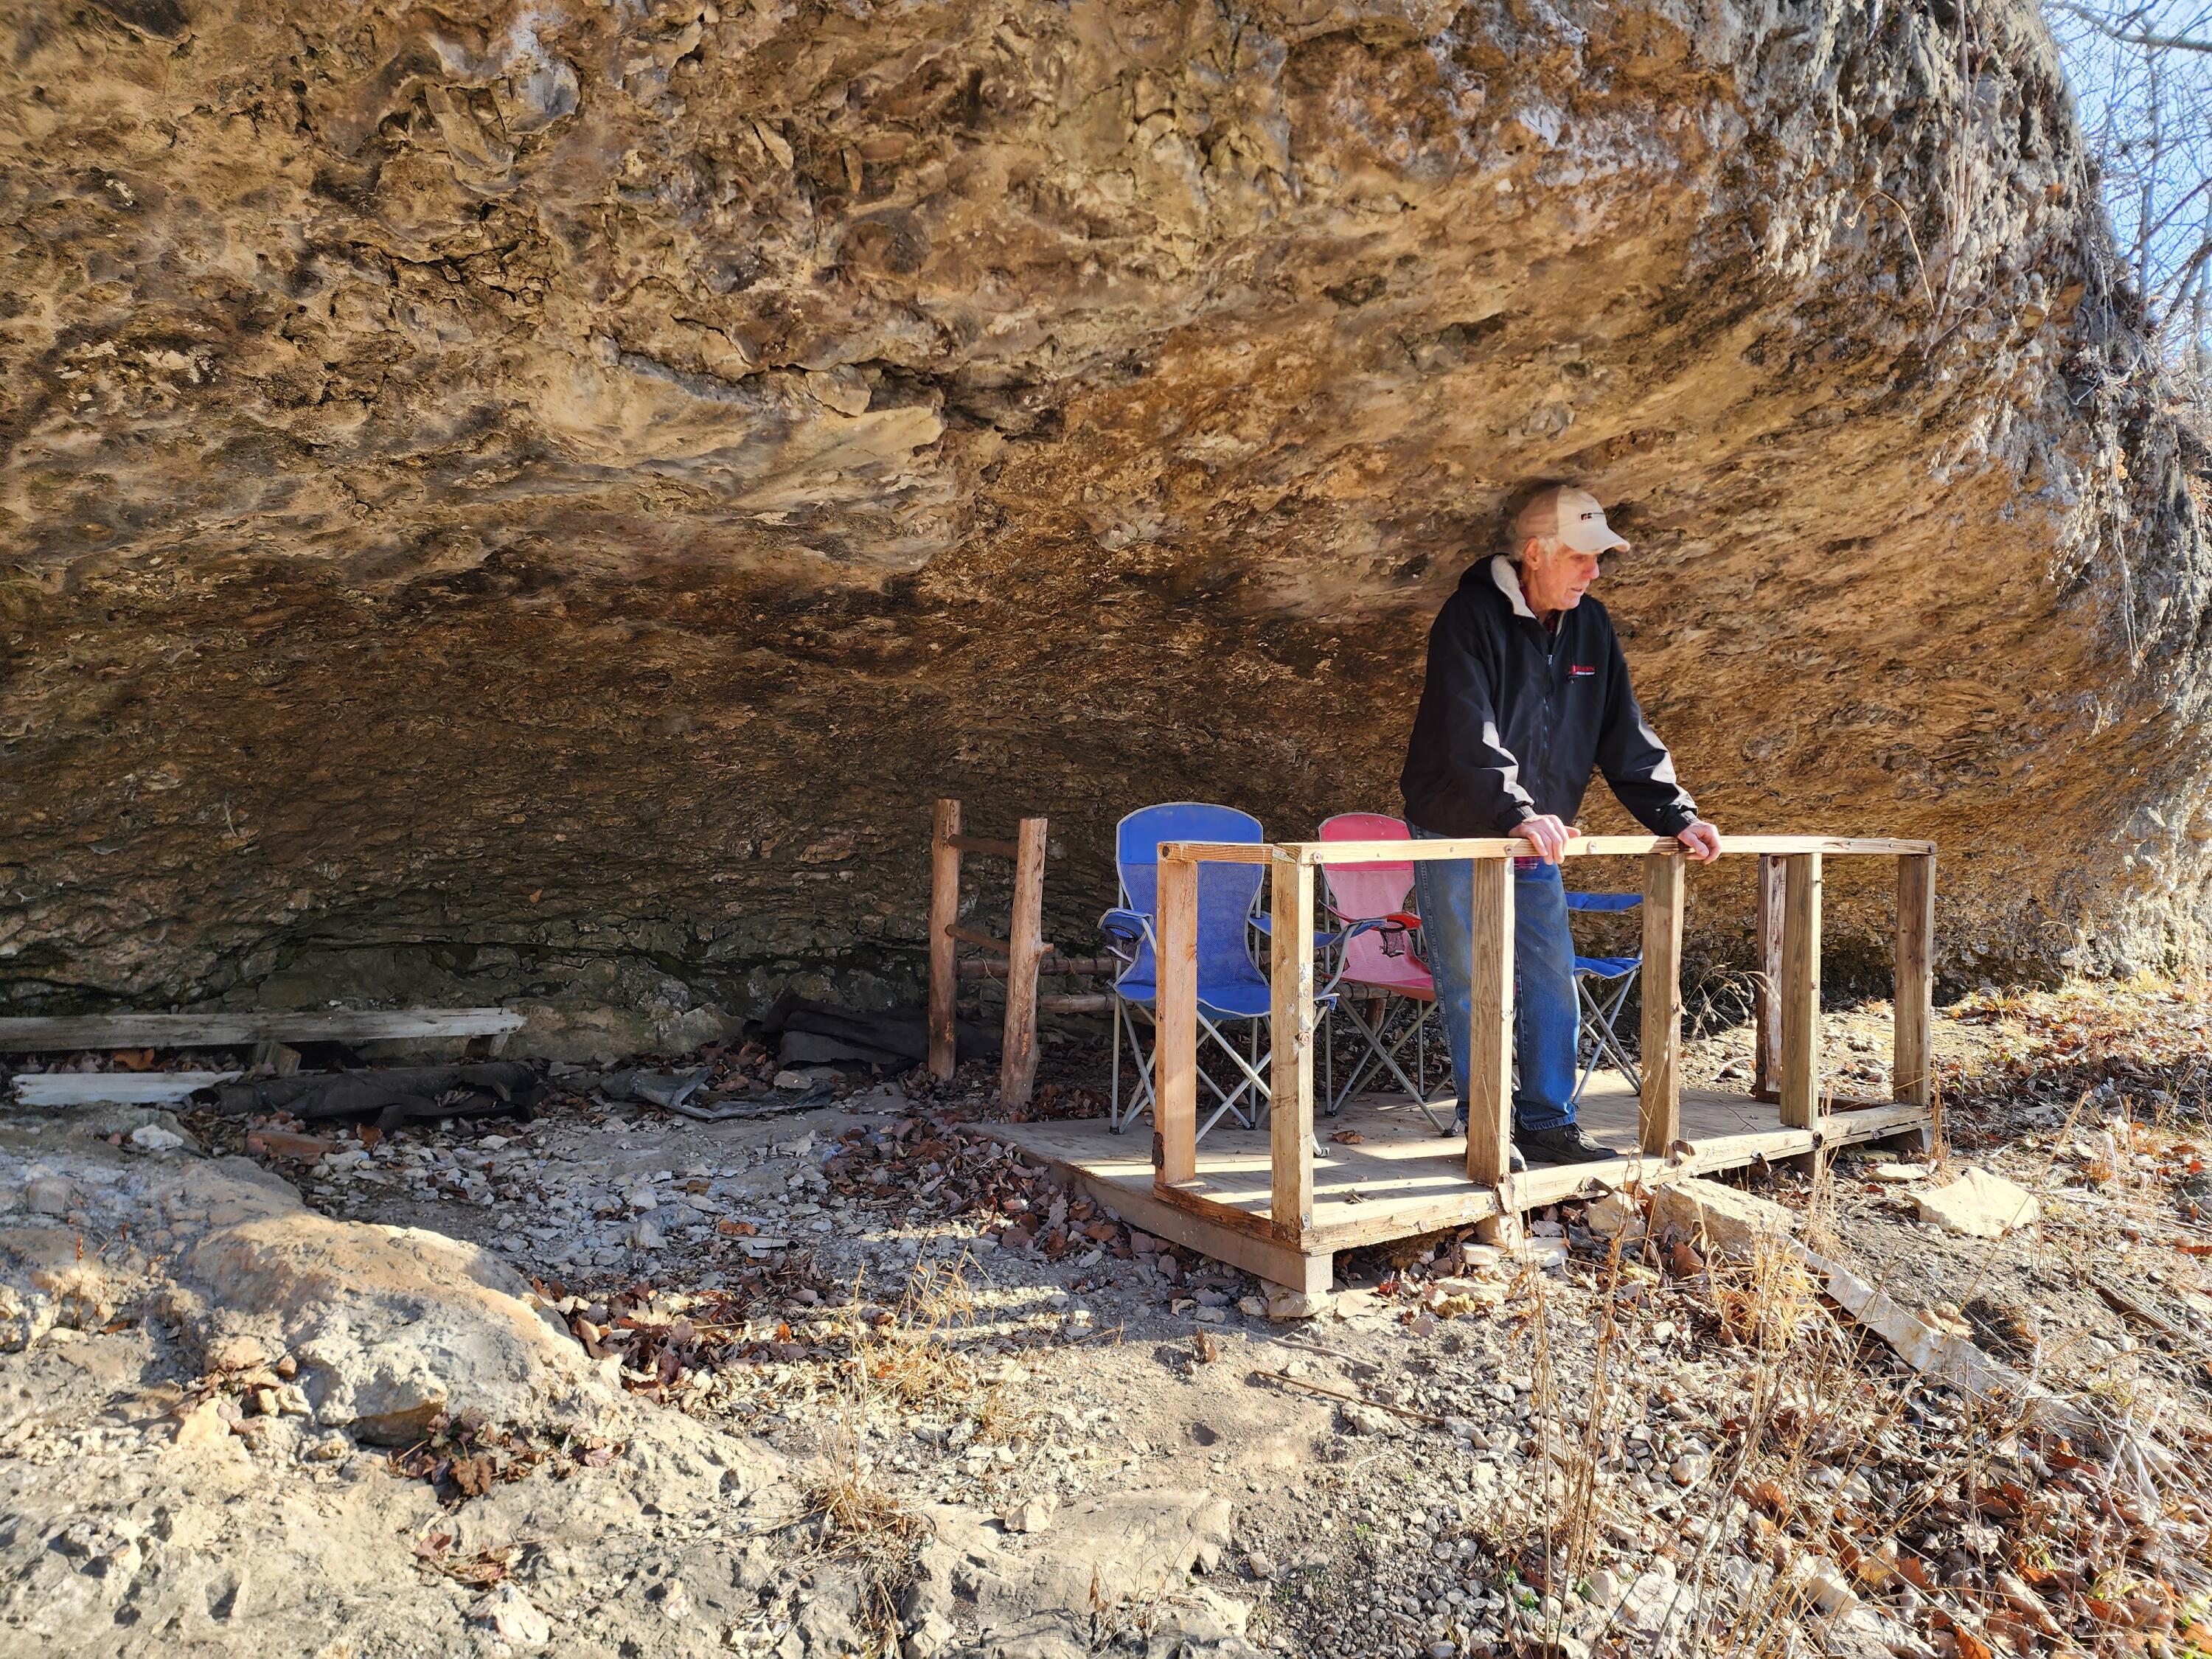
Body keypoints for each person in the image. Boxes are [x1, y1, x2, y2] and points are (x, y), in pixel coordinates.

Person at [1399, 484, 1720, 1166]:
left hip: (1536, 836)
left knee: (1551, 976)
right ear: (1535, 553)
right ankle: (1485, 1125)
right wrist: (1518, 812)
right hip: (1459, 827)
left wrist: (1678, 815)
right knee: (1472, 981)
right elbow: (1467, 730)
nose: (1594, 572)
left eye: (1599, 558)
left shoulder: (1590, 625)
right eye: (1581, 557)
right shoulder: (1468, 617)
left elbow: (1623, 732)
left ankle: (1548, 1123)